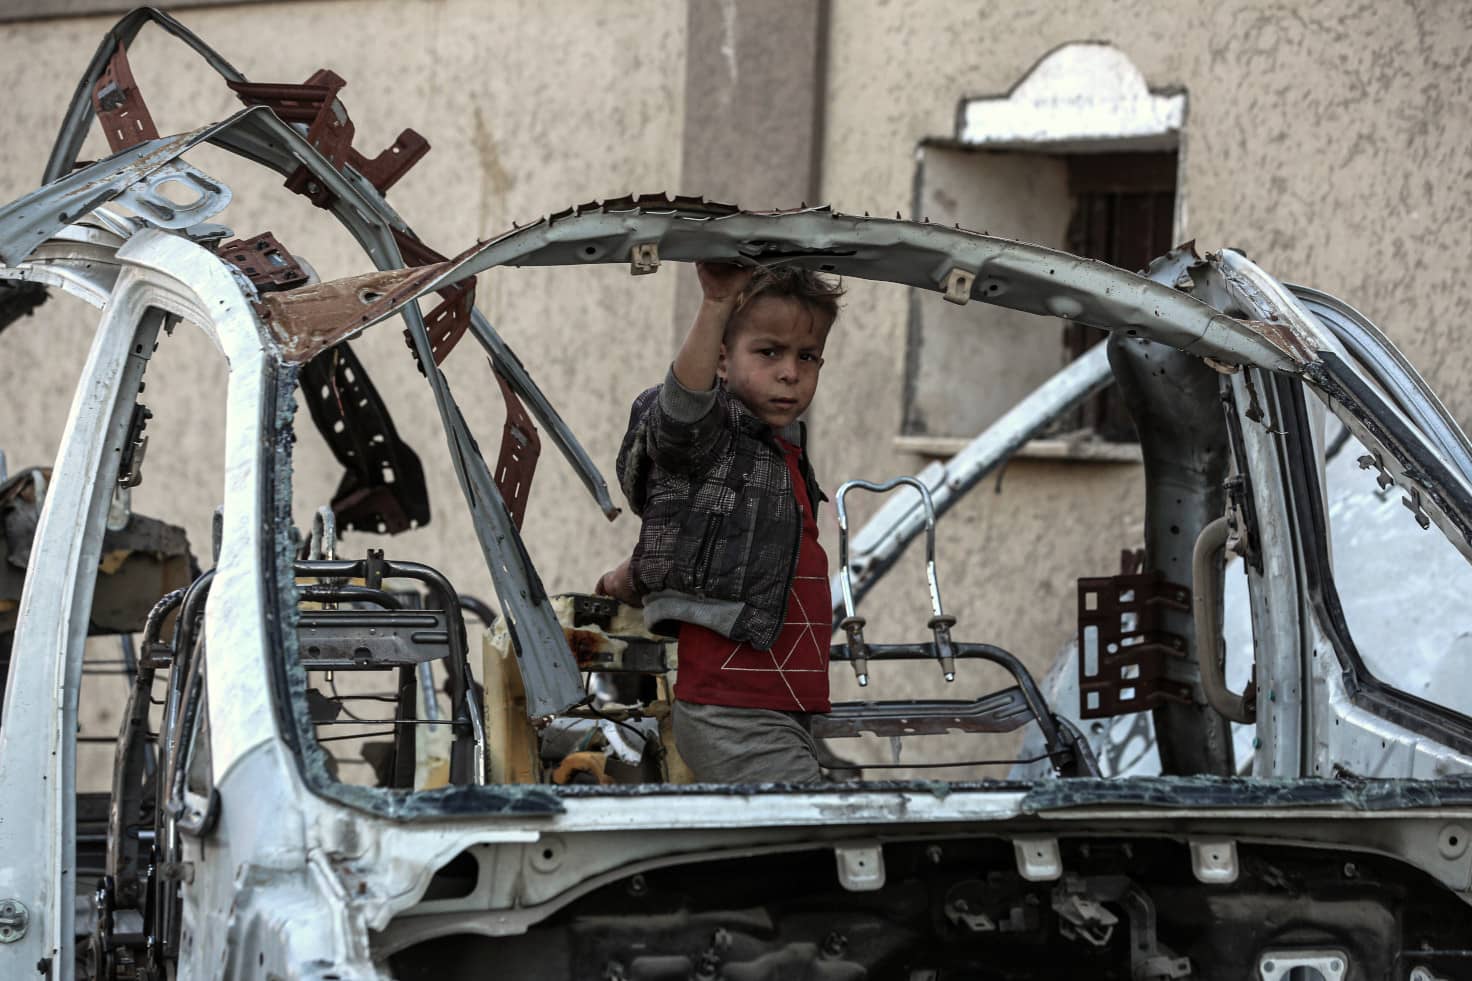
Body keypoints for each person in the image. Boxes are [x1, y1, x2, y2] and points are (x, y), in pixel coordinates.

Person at [596, 261, 843, 783]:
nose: (790, 372)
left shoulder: (778, 455)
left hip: (783, 706)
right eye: (769, 351)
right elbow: (679, 418)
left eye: (808, 356)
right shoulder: (715, 436)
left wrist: (630, 577)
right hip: (735, 711)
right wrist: (715, 305)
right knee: (811, 838)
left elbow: (705, 547)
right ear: (722, 362)